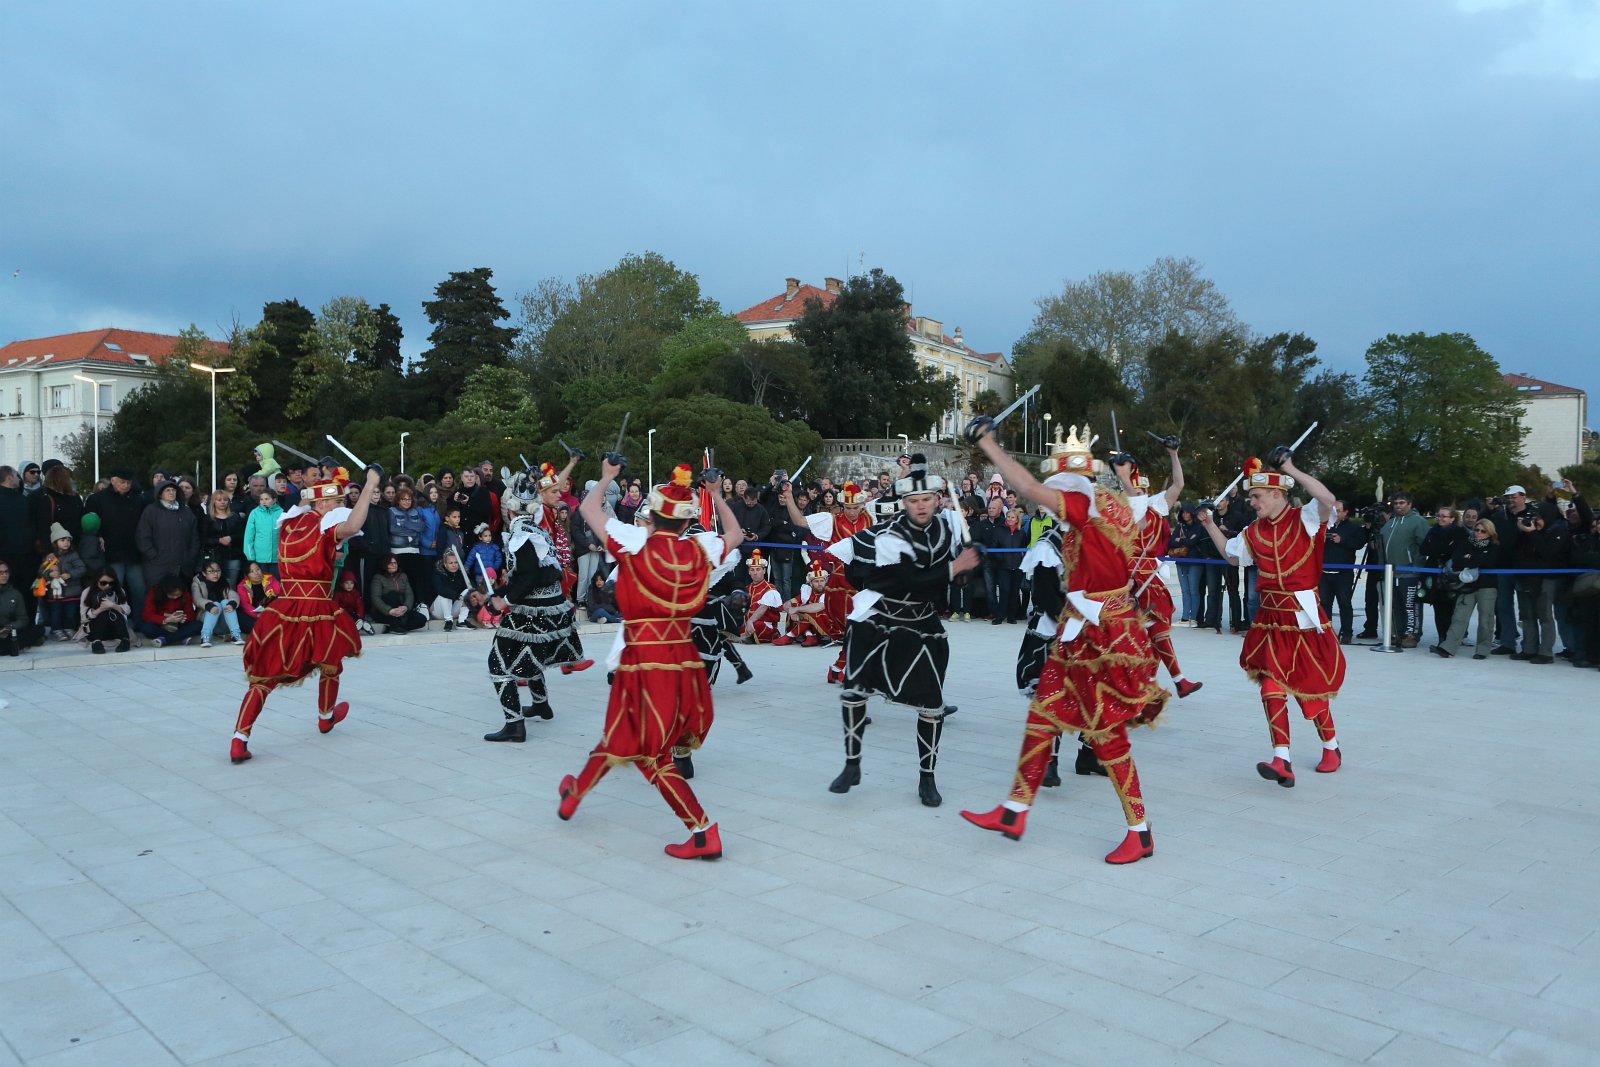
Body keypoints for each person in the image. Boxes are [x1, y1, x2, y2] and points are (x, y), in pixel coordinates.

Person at [960, 423, 1167, 863]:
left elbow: (1026, 485)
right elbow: (1133, 505)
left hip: (1102, 636)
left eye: (1057, 496)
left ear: (1068, 488)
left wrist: (988, 444)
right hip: (1085, 630)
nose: (1051, 507)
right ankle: (1015, 810)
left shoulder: (1083, 505)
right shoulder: (1117, 506)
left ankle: (1140, 830)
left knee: (1107, 733)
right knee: (1043, 711)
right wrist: (1126, 472)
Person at [558, 460, 746, 860]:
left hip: (644, 660)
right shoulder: (700, 547)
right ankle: (574, 792)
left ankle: (703, 830)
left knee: (649, 753)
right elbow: (735, 533)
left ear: (654, 514)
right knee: (621, 736)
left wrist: (607, 476)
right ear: (683, 523)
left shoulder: (634, 541)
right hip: (683, 659)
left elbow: (588, 510)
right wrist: (716, 495)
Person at [824, 454, 981, 809]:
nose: (921, 506)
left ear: (938, 499)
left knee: (931, 706)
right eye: (913, 500)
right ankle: (852, 764)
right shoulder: (890, 535)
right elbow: (913, 579)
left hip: (922, 622)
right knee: (853, 691)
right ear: (904, 503)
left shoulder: (949, 528)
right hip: (879, 618)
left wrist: (971, 566)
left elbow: (955, 580)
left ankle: (928, 776)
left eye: (927, 499)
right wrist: (955, 567)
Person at [1201, 451, 1346, 787]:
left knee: (1309, 689)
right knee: (1270, 684)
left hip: (1303, 616)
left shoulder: (1307, 518)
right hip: (1269, 619)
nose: (1252, 502)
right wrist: (1209, 525)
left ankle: (1331, 746)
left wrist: (1290, 467)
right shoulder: (1254, 531)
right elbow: (1231, 555)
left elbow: (1327, 499)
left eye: (1257, 496)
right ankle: (1282, 758)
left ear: (1278, 494)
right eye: (1251, 496)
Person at [230, 465, 380, 764]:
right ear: (322, 504)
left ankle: (239, 739)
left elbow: (302, 506)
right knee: (331, 660)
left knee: (265, 677)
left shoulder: (289, 523)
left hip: (286, 607)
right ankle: (325, 717)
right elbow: (351, 526)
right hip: (317, 607)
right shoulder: (325, 528)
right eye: (337, 502)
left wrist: (317, 489)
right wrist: (370, 484)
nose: (341, 507)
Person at [481, 462, 594, 743]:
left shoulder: (521, 534)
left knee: (498, 663)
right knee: (531, 656)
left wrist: (504, 599)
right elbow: (545, 571)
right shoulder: (539, 532)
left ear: (509, 509)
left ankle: (514, 724)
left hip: (532, 612)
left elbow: (532, 573)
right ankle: (541, 704)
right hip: (551, 609)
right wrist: (504, 591)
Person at [1114, 445, 1202, 699]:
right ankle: (1168, 681)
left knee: (1157, 631)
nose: (1138, 494)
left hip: (1150, 575)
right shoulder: (1121, 513)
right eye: (1135, 490)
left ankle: (1156, 684)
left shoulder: (1155, 508)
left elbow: (1178, 484)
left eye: (1142, 490)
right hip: (1129, 576)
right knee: (1146, 634)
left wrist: (1174, 453)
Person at [1432, 518, 1500, 659]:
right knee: (1459, 616)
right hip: (1467, 586)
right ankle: (1448, 647)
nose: (1479, 533)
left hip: (1487, 586)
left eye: (1483, 531)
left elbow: (1488, 562)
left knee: (1485, 619)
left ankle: (1483, 649)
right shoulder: (1465, 543)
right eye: (1477, 529)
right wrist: (1473, 559)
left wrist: (1470, 558)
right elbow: (1457, 560)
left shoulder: (1494, 546)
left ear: (1490, 533)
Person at [1381, 491, 1428, 647]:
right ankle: (1398, 632)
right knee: (1395, 605)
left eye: (1402, 503)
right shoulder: (1390, 522)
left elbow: (1424, 546)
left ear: (1409, 504)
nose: (1398, 506)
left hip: (1409, 572)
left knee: (1410, 605)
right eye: (1396, 503)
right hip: (1391, 573)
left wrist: (1417, 567)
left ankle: (1412, 634)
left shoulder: (1418, 522)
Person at [1319, 500, 1368, 644]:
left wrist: (1342, 540)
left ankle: (1347, 632)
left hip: (1343, 572)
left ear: (1346, 512)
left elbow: (1359, 544)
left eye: (1338, 510)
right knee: (1325, 603)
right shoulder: (1324, 525)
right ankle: (1326, 632)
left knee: (1344, 603)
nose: (1334, 512)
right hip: (1324, 572)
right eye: (1332, 510)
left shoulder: (1354, 528)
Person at [135, 480, 200, 587]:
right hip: (157, 567)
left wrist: (189, 557)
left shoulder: (186, 512)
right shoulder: (150, 511)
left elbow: (194, 538)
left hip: (182, 567)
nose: (171, 492)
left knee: (181, 598)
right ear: (160, 494)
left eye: (174, 490)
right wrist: (153, 556)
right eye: (167, 490)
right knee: (158, 599)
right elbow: (143, 536)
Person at [773, 560, 843, 647]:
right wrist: (791, 610)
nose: (820, 584)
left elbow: (820, 606)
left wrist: (797, 609)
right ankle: (809, 635)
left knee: (811, 612)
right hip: (814, 625)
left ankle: (790, 636)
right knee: (798, 607)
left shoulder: (828, 592)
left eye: (822, 581)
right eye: (816, 581)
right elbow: (788, 603)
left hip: (830, 626)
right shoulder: (807, 591)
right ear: (811, 583)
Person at [39, 523, 87, 639]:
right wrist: (50, 574)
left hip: (72, 590)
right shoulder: (50, 557)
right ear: (55, 543)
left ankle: (69, 628)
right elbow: (41, 571)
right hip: (55, 592)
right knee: (56, 612)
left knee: (70, 612)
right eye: (62, 540)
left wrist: (70, 574)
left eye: (68, 540)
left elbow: (82, 568)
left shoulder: (73, 555)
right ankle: (57, 629)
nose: (66, 542)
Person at [191, 558, 245, 648]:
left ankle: (236, 635)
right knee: (216, 604)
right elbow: (197, 599)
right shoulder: (197, 582)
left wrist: (232, 603)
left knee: (226, 602)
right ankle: (205, 637)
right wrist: (209, 605)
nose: (215, 574)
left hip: (224, 621)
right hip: (206, 618)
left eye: (218, 571)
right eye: (211, 571)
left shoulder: (224, 581)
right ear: (204, 573)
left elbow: (232, 594)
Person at [77, 567, 132, 653]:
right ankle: (96, 642)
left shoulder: (118, 590)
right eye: (103, 583)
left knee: (113, 611)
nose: (107, 586)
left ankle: (125, 640)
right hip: (96, 630)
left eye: (111, 583)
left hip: (115, 629)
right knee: (103, 613)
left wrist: (113, 605)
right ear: (96, 581)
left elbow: (127, 610)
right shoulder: (87, 592)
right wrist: (99, 609)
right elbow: (83, 618)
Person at [368, 555, 428, 633]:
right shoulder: (378, 578)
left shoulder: (403, 576)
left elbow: (409, 594)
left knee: (421, 619)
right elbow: (376, 598)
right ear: (384, 565)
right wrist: (389, 610)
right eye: (390, 563)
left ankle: (392, 628)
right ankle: (395, 626)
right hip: (384, 612)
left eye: (395, 563)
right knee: (393, 595)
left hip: (401, 611)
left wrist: (405, 607)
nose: (394, 565)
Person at [138, 574, 203, 646]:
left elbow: (191, 615)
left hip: (179, 625)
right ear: (165, 591)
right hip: (161, 625)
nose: (175, 597)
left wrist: (182, 618)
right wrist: (167, 619)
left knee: (199, 625)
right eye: (172, 595)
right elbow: (147, 615)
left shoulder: (185, 595)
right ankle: (180, 637)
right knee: (146, 627)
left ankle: (165, 639)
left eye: (178, 595)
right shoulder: (154, 593)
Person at [200, 490, 246, 586]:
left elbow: (242, 535)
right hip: (215, 557)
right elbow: (203, 539)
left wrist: (231, 538)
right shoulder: (207, 519)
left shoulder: (235, 517)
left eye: (225, 500)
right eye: (219, 500)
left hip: (233, 556)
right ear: (214, 502)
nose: (222, 502)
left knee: (231, 586)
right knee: (216, 586)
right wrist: (218, 540)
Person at [738, 550, 783, 643]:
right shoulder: (747, 588)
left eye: (758, 569)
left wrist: (750, 621)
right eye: (752, 570)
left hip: (764, 624)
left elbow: (763, 608)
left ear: (764, 571)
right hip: (748, 622)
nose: (755, 573)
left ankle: (749, 636)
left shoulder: (770, 589)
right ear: (749, 572)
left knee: (756, 624)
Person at [0, 560, 34, 656]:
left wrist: (9, 628)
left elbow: (23, 619)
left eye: (6, 572)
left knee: (38, 630)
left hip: (8, 632)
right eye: (0, 573)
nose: (4, 575)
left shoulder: (15, 594)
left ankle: (9, 647)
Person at [236, 561, 280, 634]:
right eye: (252, 571)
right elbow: (245, 604)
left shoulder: (271, 580)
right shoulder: (242, 586)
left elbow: (279, 594)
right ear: (247, 575)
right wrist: (256, 615)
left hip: (271, 612)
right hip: (253, 615)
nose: (256, 573)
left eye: (257, 569)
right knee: (238, 614)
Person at [431, 551, 472, 630]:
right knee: (445, 594)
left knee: (469, 591)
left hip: (453, 610)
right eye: (451, 563)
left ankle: (461, 621)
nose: (454, 565)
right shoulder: (438, 574)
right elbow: (441, 590)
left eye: (456, 562)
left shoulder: (460, 574)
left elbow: (470, 588)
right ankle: (448, 621)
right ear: (445, 564)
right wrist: (458, 597)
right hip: (438, 611)